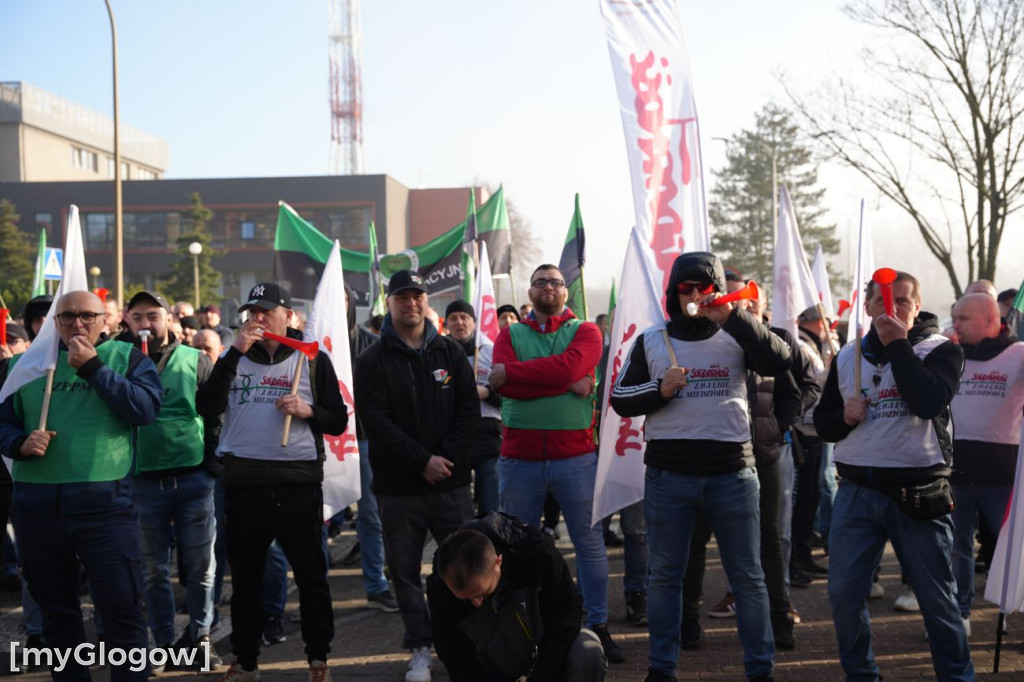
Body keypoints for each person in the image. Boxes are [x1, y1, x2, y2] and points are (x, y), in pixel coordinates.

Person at [610, 252, 790, 682]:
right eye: (685, 288)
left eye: (702, 287)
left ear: (715, 290)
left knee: (747, 575)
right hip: (669, 476)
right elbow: (619, 397)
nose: (693, 296)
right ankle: (662, 668)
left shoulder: (736, 333)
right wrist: (659, 389)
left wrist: (734, 317)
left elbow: (780, 360)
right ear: (673, 293)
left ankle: (760, 669)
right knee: (666, 576)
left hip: (732, 473)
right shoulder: (653, 340)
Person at [814, 270, 973, 681]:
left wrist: (898, 345)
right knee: (844, 597)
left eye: (902, 301)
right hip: (856, 492)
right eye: (882, 300)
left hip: (917, 492)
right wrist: (842, 417)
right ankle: (861, 674)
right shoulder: (847, 356)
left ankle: (957, 676)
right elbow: (824, 423)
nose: (892, 308)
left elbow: (927, 401)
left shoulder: (942, 350)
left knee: (938, 602)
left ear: (917, 307)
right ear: (866, 306)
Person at [0, 291, 163, 681]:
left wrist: (94, 368)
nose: (77, 324)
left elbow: (144, 409)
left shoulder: (127, 359)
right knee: (57, 619)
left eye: (87, 316)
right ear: (55, 321)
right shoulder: (24, 366)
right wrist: (18, 443)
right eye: (68, 316)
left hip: (105, 509)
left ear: (105, 319)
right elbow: (2, 422)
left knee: (122, 614)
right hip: (37, 511)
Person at [196, 282, 346, 682]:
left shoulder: (311, 360)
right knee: (245, 580)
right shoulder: (233, 357)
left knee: (311, 575)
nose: (258, 319)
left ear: (288, 317)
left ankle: (318, 658)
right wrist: (233, 356)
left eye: (266, 311)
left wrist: (309, 410)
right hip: (244, 484)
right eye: (252, 312)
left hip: (297, 483)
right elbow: (206, 407)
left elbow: (339, 420)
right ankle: (246, 661)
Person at [489, 264, 625, 665]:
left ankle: (597, 625)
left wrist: (517, 373)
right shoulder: (509, 333)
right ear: (530, 291)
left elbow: (537, 374)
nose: (548, 287)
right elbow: (507, 386)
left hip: (575, 457)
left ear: (566, 292)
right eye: (540, 282)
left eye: (555, 282)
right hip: (519, 459)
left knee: (589, 545)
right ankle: (521, 629)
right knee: (514, 550)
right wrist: (564, 381)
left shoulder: (585, 332)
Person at [353, 270, 478, 682]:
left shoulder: (450, 353)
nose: (411, 304)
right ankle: (420, 648)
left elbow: (468, 413)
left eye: (418, 297)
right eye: (402, 297)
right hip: (398, 488)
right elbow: (377, 422)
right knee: (404, 572)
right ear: (389, 303)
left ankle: (465, 644)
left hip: (451, 483)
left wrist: (442, 460)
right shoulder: (371, 360)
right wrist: (421, 461)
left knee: (462, 564)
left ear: (428, 302)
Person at [688, 274, 803, 652]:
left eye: (745, 299)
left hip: (764, 456)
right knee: (697, 540)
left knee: (769, 541)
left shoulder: (769, 343)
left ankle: (779, 620)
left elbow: (793, 394)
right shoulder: (702, 342)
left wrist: (774, 429)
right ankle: (688, 620)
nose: (741, 303)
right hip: (716, 457)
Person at [124, 291, 221, 669]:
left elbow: (215, 413)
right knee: (152, 570)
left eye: (152, 315)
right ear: (127, 321)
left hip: (193, 478)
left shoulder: (195, 359)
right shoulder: (118, 360)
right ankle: (163, 642)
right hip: (142, 481)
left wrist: (211, 463)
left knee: (200, 568)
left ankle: (201, 638)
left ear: (168, 319)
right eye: (137, 317)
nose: (146, 324)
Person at [428, 512, 608, 682]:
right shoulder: (440, 585)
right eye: (464, 598)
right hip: (490, 665)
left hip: (545, 649)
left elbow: (565, 618)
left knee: (587, 652)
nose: (476, 603)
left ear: (498, 561)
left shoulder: (535, 553)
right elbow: (455, 657)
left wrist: (541, 677)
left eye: (481, 593)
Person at [949, 293, 1024, 634]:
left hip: (1002, 475)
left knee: (1013, 550)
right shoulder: (951, 355)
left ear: (991, 320)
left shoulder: (1018, 354)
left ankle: (1010, 609)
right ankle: (959, 612)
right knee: (956, 548)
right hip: (956, 471)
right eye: (955, 317)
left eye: (963, 318)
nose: (956, 324)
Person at [341, 283, 398, 613]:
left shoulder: (370, 345)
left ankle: (376, 585)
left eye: (342, 297)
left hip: (362, 441)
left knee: (371, 515)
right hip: (318, 443)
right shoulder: (309, 346)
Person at [445, 300, 502, 515]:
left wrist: (487, 392)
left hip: (487, 432)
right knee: (458, 503)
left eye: (464, 317)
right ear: (446, 324)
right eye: (454, 318)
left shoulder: (490, 351)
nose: (459, 322)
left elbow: (508, 391)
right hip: (453, 432)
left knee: (491, 500)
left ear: (474, 322)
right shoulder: (439, 352)